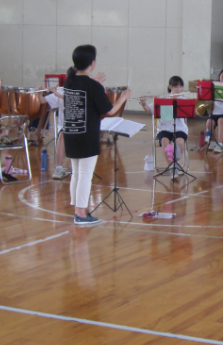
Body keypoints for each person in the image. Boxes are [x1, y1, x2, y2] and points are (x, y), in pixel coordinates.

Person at [63, 45, 130, 225]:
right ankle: (81, 214)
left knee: (76, 173)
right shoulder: (93, 86)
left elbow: (84, 89)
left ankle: (77, 209)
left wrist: (95, 82)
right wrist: (123, 97)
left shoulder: (69, 81)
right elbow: (110, 111)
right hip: (86, 136)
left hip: (71, 133)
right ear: (92, 63)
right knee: (85, 174)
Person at [140, 76, 187, 169]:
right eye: (176, 87)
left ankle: (176, 163)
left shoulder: (183, 99)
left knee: (180, 141)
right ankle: (171, 166)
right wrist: (144, 103)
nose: (178, 89)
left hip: (180, 128)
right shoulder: (163, 97)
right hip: (164, 128)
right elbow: (148, 109)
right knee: (165, 140)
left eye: (180, 87)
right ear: (170, 86)